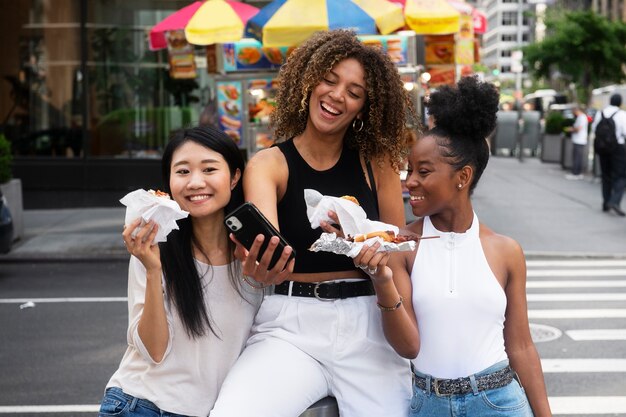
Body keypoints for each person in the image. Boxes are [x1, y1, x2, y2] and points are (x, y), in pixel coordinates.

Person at [210, 30, 418, 417]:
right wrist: (260, 268)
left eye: (355, 92)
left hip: (369, 321)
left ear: (365, 108)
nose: (338, 95)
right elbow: (267, 258)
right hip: (290, 325)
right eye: (331, 79)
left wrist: (400, 313)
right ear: (309, 80)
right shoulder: (268, 164)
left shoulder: (379, 164)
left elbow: (395, 256)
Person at [348, 76, 553, 416]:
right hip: (429, 402)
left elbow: (521, 345)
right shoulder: (402, 247)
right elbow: (408, 346)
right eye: (409, 170)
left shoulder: (506, 251)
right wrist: (381, 280)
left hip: (499, 401)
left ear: (462, 177)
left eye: (423, 171)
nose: (410, 181)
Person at [98, 126, 263, 417]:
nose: (195, 183)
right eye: (183, 172)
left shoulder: (254, 254)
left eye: (210, 169)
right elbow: (154, 351)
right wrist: (152, 270)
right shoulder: (153, 248)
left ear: (235, 177)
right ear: (169, 181)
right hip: (144, 406)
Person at [591, 93, 626, 216]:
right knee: (621, 176)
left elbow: (594, 129)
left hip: (602, 149)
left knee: (605, 176)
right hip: (618, 149)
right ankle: (614, 201)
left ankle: (606, 203)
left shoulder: (600, 113)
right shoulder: (622, 115)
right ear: (620, 103)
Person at [564, 105, 589, 180]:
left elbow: (578, 129)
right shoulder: (581, 117)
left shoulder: (582, 117)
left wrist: (571, 129)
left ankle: (576, 173)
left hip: (579, 140)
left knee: (577, 157)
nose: (573, 113)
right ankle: (577, 173)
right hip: (578, 140)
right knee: (577, 157)